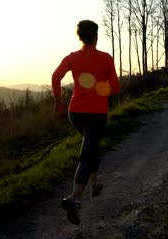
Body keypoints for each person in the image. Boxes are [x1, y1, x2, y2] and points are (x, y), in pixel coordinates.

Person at [51, 20, 120, 225]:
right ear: (96, 36)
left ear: (79, 37)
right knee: (87, 154)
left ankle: (95, 185)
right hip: (96, 113)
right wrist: (100, 90)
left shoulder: (72, 58)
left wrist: (58, 103)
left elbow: (55, 77)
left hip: (76, 113)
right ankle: (74, 199)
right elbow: (115, 87)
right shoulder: (106, 58)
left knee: (91, 145)